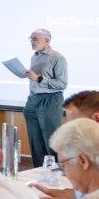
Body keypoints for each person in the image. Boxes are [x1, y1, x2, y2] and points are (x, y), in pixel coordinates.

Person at [21, 28, 68, 167]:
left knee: (51, 140)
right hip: (33, 100)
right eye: (31, 38)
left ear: (47, 41)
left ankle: (57, 174)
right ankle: (38, 172)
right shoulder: (34, 56)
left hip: (50, 100)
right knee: (35, 140)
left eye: (35, 39)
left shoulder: (58, 58)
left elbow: (62, 84)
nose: (32, 42)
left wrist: (39, 78)